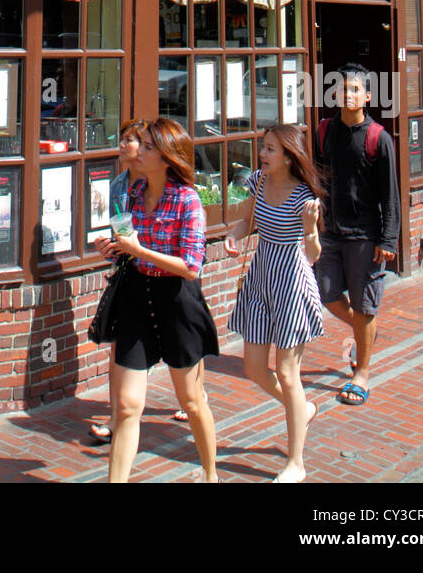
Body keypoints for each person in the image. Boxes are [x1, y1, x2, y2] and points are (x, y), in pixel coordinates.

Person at [97, 117, 219, 483]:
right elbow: (126, 244)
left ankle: (211, 474)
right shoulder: (132, 193)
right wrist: (113, 248)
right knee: (127, 404)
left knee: (192, 401)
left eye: (148, 147)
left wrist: (140, 249)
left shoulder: (188, 200)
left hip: (176, 300)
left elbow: (191, 266)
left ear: (167, 158)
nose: (138, 151)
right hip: (136, 295)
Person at [225, 126, 324, 483]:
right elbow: (248, 219)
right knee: (253, 367)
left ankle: (296, 462)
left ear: (288, 156)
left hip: (291, 281)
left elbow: (312, 255)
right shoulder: (259, 182)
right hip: (261, 276)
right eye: (262, 148)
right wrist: (232, 235)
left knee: (287, 372)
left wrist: (310, 229)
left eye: (269, 149)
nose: (262, 155)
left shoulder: (304, 197)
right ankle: (301, 407)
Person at [314, 63, 400, 407]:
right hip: (332, 231)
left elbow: (390, 194)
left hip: (366, 233)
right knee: (326, 292)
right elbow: (319, 174)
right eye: (341, 89)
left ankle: (361, 373)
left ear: (366, 95)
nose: (346, 95)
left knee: (365, 306)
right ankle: (364, 330)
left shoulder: (379, 138)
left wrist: (388, 240)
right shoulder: (324, 131)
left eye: (354, 90)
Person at [88, 118, 149, 444]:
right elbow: (119, 237)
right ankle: (114, 419)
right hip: (130, 276)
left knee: (181, 350)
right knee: (118, 350)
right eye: (123, 138)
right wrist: (108, 250)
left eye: (131, 140)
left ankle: (195, 402)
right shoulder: (116, 187)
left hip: (162, 275)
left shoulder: (160, 185)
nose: (123, 144)